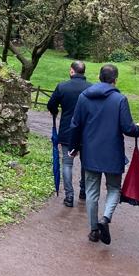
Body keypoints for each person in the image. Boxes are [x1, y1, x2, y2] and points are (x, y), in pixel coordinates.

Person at [69, 63, 139, 245]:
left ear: (99, 77)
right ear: (115, 79)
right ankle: (105, 218)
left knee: (91, 191)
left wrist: (73, 147)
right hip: (113, 152)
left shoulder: (84, 97)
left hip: (90, 151)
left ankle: (94, 230)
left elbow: (76, 124)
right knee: (114, 188)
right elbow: (128, 128)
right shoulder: (120, 99)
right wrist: (138, 129)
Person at [47, 60, 91, 207]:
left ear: (72, 71)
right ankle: (83, 191)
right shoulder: (91, 88)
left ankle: (69, 196)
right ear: (83, 71)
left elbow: (51, 105)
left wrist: (55, 111)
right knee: (86, 163)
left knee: (67, 163)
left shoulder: (62, 86)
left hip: (68, 130)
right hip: (86, 131)